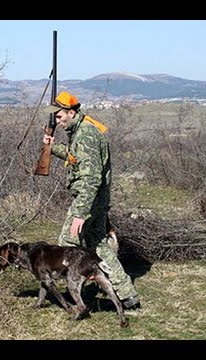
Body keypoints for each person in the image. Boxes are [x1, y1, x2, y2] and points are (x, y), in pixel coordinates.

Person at [43, 91, 140, 310]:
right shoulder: (81, 130)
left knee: (66, 244)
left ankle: (72, 294)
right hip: (95, 200)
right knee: (99, 246)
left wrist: (80, 213)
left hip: (89, 200)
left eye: (59, 117)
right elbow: (75, 158)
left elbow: (91, 178)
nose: (57, 121)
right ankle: (127, 294)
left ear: (70, 112)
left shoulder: (85, 135)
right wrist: (53, 146)